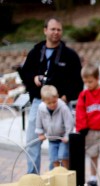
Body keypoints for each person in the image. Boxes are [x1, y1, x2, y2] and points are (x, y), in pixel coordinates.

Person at [18, 17, 83, 174]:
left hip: (60, 103)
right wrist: (33, 78)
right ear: (45, 30)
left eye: (59, 29)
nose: (56, 32)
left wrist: (66, 97)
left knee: (61, 143)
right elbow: (24, 73)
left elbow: (77, 82)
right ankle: (32, 175)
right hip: (38, 103)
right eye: (52, 29)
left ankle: (56, 177)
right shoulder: (35, 52)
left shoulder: (70, 55)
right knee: (33, 140)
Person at [35, 85, 75, 170]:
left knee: (63, 156)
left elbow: (69, 122)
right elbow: (38, 121)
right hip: (51, 139)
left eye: (54, 101)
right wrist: (40, 133)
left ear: (57, 97)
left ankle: (66, 172)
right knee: (54, 158)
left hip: (62, 139)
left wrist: (67, 136)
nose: (52, 104)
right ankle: (56, 175)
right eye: (49, 103)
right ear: (44, 101)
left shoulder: (63, 107)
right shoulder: (41, 108)